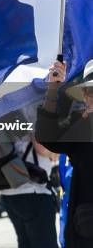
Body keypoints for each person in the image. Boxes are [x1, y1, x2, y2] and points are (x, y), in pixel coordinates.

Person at [35, 59, 93, 248]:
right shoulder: (83, 125)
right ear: (85, 95)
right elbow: (47, 137)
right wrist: (53, 90)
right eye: (91, 91)